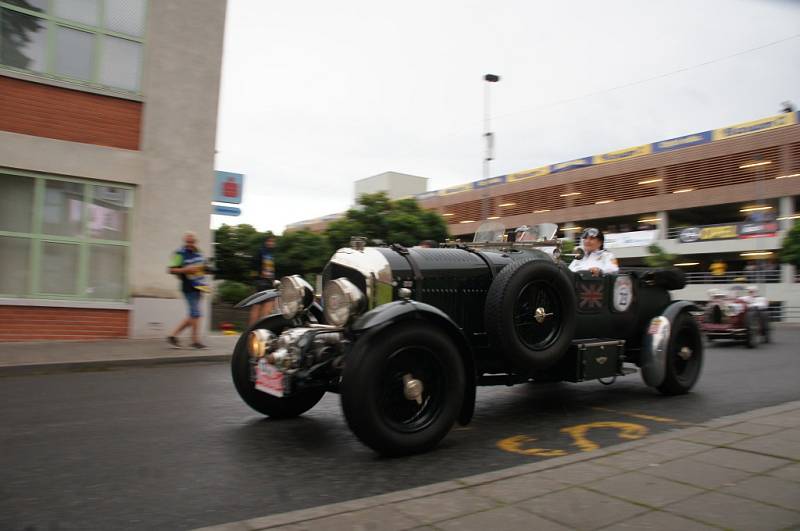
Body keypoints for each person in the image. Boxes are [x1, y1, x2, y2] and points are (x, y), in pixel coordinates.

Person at [167, 231, 208, 349]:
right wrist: (186, 270)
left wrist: (206, 270)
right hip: (188, 287)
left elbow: (203, 268)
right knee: (196, 314)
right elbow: (171, 270)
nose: (190, 244)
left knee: (193, 315)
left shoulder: (199, 253)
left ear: (196, 242)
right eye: (188, 242)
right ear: (185, 242)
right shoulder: (180, 253)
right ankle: (195, 341)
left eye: (192, 242)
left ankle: (173, 336)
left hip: (200, 286)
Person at [250, 236, 277, 325]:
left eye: (273, 242)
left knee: (264, 306)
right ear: (265, 242)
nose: (271, 243)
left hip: (267, 282)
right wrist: (259, 275)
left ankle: (256, 331)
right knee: (259, 306)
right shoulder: (261, 252)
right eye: (269, 241)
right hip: (261, 282)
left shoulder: (270, 254)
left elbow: (271, 270)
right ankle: (254, 331)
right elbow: (253, 265)